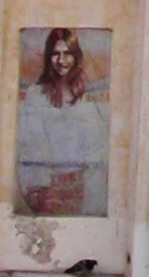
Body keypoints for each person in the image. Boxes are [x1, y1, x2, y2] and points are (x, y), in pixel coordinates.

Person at [16, 28, 108, 216]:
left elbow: (96, 144)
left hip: (81, 188)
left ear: (76, 56)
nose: (61, 60)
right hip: (47, 188)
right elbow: (31, 144)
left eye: (67, 54)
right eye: (56, 54)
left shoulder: (83, 95)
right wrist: (39, 187)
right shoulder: (36, 95)